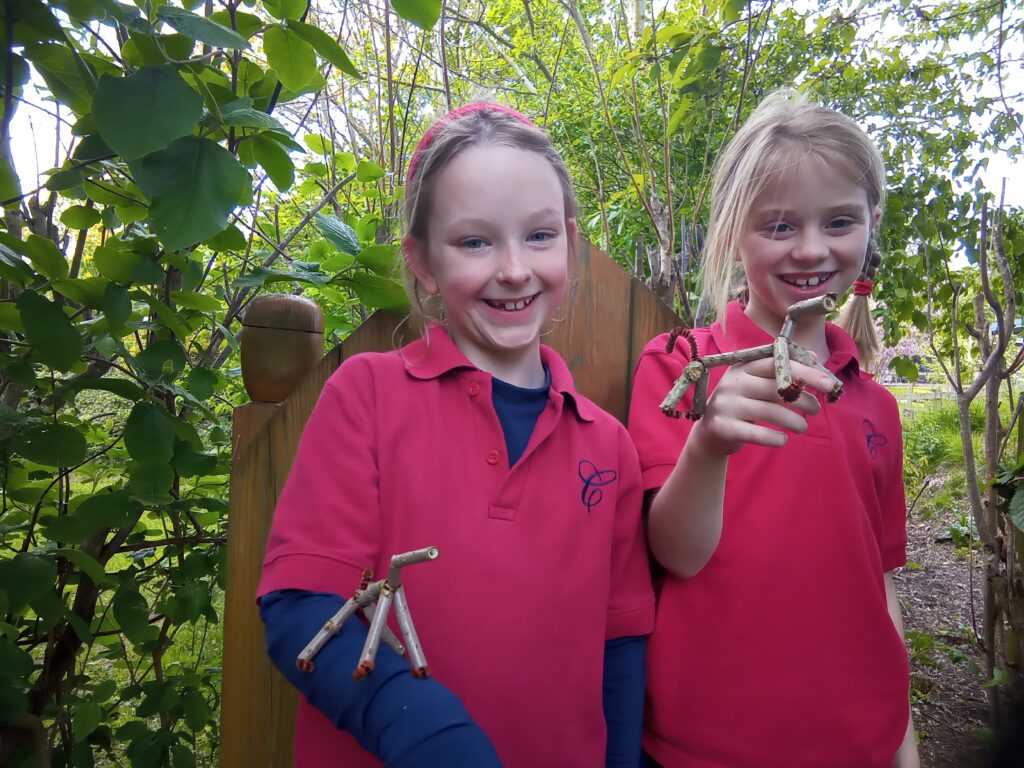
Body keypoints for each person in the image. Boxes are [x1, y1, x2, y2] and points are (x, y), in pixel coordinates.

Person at [257, 102, 655, 767]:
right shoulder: (368, 397)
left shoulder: (607, 445)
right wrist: (422, 729)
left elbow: (619, 645)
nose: (514, 269)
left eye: (538, 236)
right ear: (423, 262)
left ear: (571, 241)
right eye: (475, 242)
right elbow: (299, 606)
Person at [628, 90, 919, 768]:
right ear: (734, 232)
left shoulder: (875, 404)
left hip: (861, 742)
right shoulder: (683, 367)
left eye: (839, 222)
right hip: (705, 744)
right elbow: (678, 555)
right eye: (780, 226)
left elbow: (879, 583)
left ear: (871, 224)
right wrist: (708, 444)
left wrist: (904, 747)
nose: (811, 249)